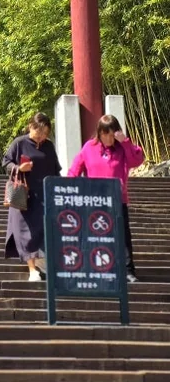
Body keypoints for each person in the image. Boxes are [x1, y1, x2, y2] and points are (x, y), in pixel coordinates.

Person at [67, 114, 144, 283]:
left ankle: (128, 270)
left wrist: (125, 142)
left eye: (112, 134)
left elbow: (137, 160)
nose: (109, 138)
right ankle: (97, 268)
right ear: (99, 133)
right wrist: (69, 189)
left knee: (123, 236)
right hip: (94, 201)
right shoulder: (89, 147)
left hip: (117, 199)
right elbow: (74, 170)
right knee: (95, 235)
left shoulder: (122, 148)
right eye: (105, 134)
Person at [3, 112, 61, 282]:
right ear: (31, 127)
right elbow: (6, 163)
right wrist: (19, 168)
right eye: (39, 132)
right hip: (24, 196)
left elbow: (56, 170)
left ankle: (42, 266)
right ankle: (32, 269)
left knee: (43, 230)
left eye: (45, 133)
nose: (41, 136)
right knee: (25, 232)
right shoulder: (19, 143)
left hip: (44, 195)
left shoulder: (48, 146)